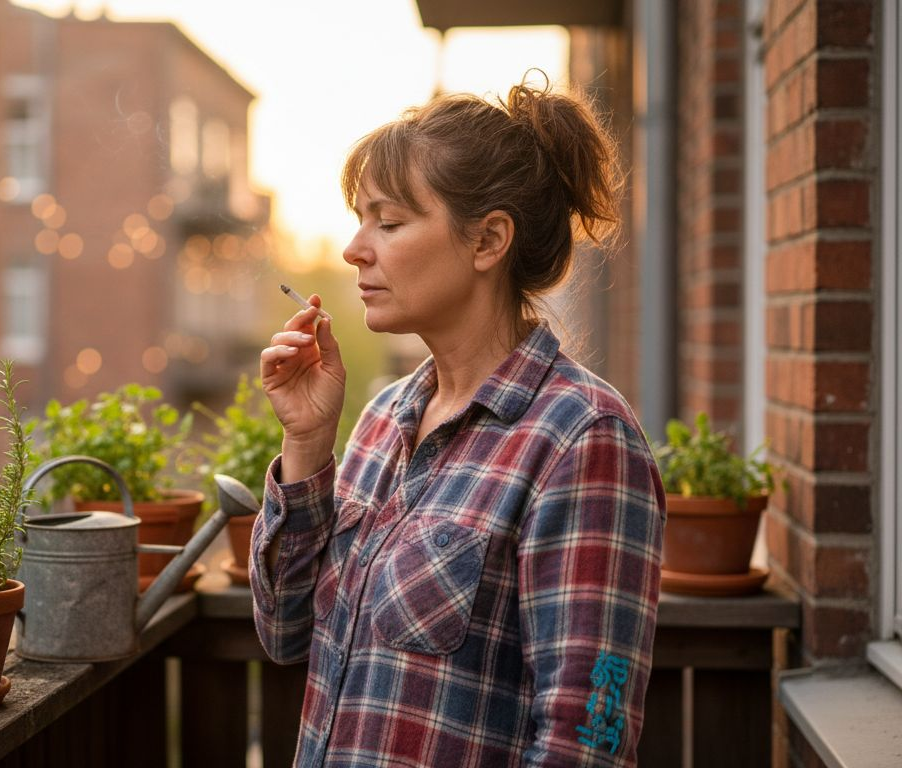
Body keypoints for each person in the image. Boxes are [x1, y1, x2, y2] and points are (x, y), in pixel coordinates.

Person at [252, 75, 665, 767]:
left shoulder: (583, 439)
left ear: (487, 240)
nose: (356, 248)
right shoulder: (385, 418)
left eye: (388, 221)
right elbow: (285, 633)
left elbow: (587, 740)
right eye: (359, 219)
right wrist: (305, 444)